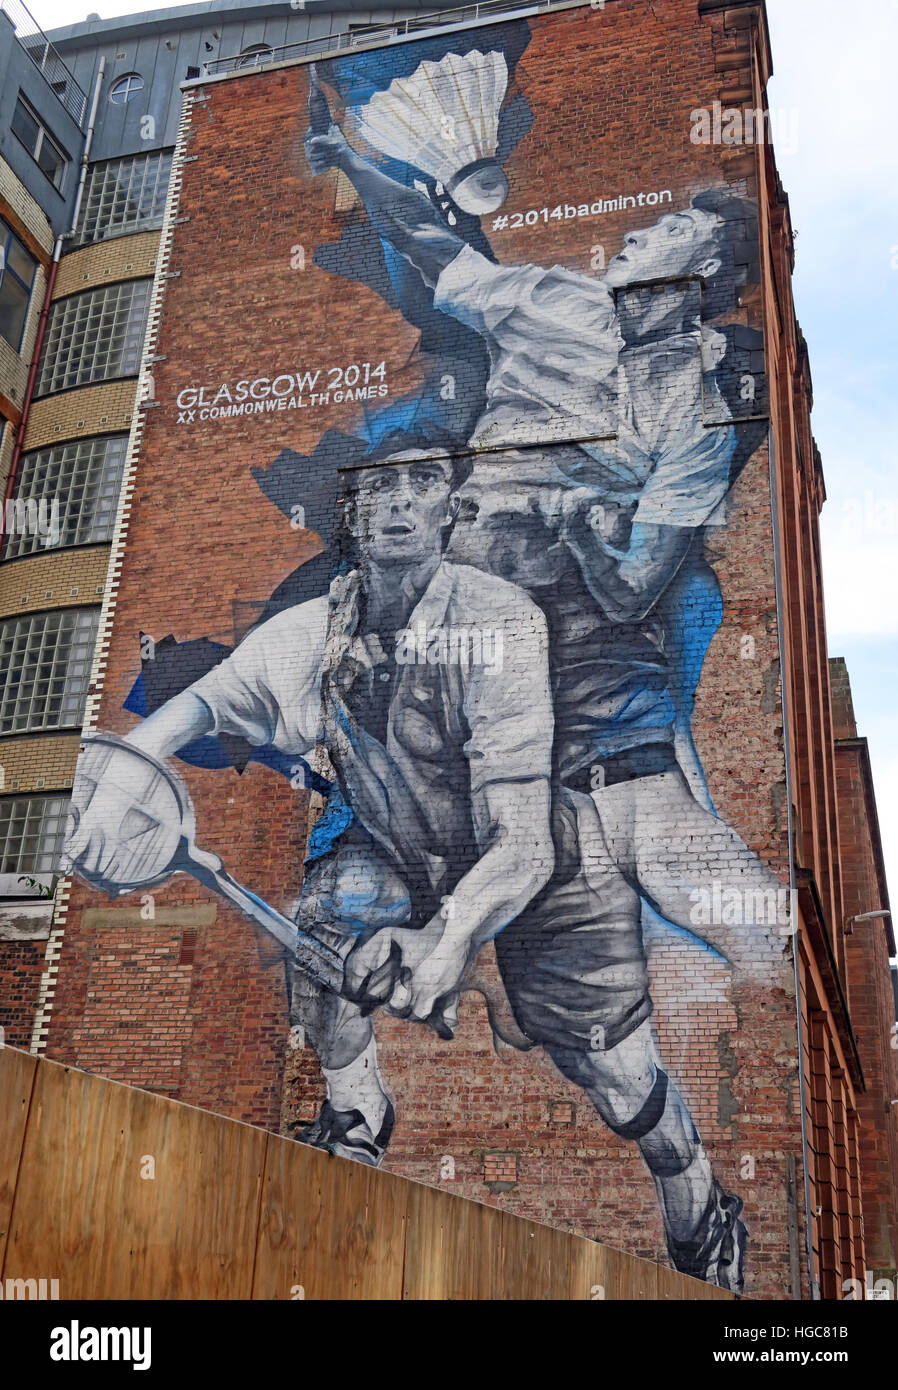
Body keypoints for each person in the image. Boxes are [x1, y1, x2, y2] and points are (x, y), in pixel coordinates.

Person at [65, 441, 556, 1166]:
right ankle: (357, 1110)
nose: (398, 501)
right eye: (379, 486)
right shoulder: (313, 632)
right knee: (326, 930)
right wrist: (105, 812)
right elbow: (195, 707)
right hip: (392, 843)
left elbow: (527, 842)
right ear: (352, 515)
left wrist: (448, 937)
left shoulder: (502, 623)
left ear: (451, 509)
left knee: (604, 1063)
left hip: (521, 850)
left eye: (422, 482)